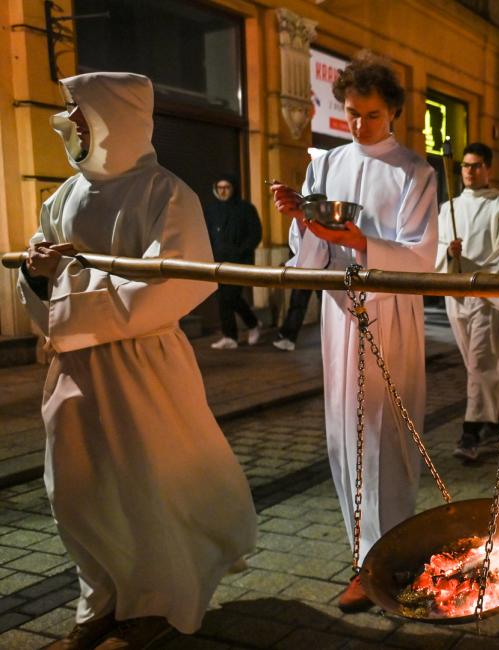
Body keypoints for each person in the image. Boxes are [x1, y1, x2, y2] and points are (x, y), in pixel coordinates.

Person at [17, 72, 256, 648]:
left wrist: (70, 293)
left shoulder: (166, 194)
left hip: (143, 366)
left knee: (147, 484)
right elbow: (44, 284)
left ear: (112, 120)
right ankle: (98, 597)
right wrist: (36, 275)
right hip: (75, 370)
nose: (69, 125)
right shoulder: (62, 197)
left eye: (80, 114)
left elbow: (174, 281)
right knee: (77, 486)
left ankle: (154, 602)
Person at [270, 51, 437, 613]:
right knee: (347, 436)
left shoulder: (415, 171)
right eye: (350, 114)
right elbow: (312, 257)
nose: (359, 125)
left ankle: (393, 555)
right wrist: (304, 223)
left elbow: (422, 256)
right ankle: (365, 558)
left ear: (392, 112)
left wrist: (359, 240)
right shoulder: (325, 165)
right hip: (341, 317)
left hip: (390, 317)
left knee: (387, 435)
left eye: (370, 114)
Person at [434, 142, 499, 461]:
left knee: (482, 360)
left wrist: (475, 268)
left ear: (488, 169)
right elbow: (438, 246)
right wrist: (449, 252)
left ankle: (469, 433)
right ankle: (494, 416)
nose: (470, 172)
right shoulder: (449, 208)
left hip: (486, 295)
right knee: (475, 362)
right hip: (457, 294)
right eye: (465, 166)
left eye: (476, 165)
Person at [205, 174, 264, 349]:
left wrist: (241, 251)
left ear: (234, 188)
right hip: (217, 262)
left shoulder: (246, 208)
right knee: (223, 298)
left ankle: (251, 325)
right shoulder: (211, 210)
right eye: (220, 188)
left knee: (231, 296)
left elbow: (255, 233)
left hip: (239, 262)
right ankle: (231, 336)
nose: (223, 191)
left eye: (227, 187)